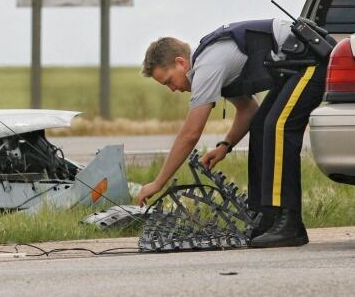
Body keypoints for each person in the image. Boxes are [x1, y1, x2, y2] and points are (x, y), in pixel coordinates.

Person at [136, 18, 331, 248]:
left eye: (169, 80)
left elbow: (190, 133)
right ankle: (266, 219)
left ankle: (290, 224)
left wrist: (158, 183)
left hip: (312, 59)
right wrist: (225, 146)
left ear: (181, 63)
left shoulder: (207, 66)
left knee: (279, 126)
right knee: (261, 127)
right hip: (297, 65)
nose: (173, 89)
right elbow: (249, 110)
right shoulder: (211, 63)